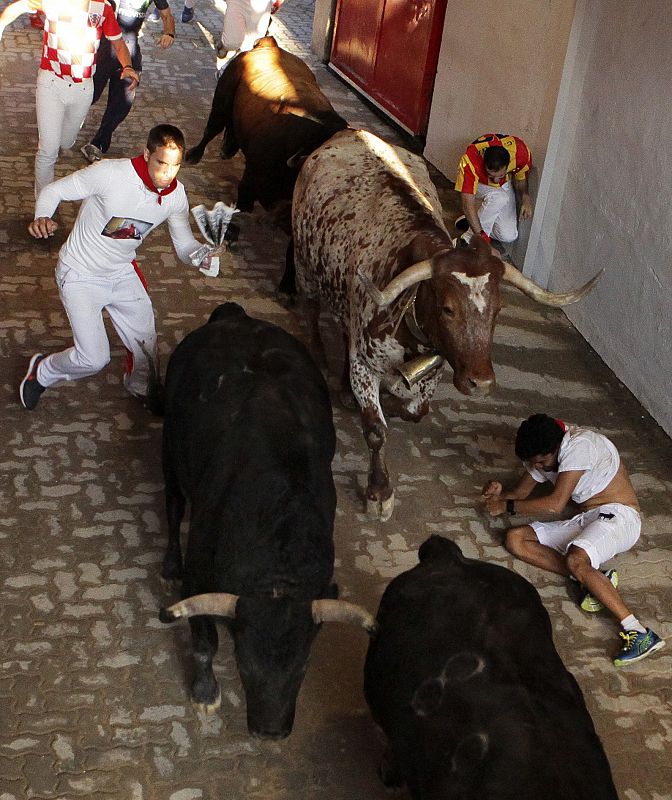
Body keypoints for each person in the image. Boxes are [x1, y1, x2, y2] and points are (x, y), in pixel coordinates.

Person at [20, 124, 218, 410]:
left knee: (146, 341)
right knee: (93, 358)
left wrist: (202, 255)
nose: (167, 174)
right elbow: (54, 191)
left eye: (175, 166)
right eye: (161, 163)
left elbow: (184, 245)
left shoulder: (176, 197)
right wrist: (42, 217)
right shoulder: (109, 173)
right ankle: (42, 371)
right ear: (147, 154)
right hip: (79, 274)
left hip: (121, 272)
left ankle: (140, 387)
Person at [482, 413, 665, 667]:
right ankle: (593, 579)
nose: (540, 468)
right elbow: (520, 494)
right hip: (590, 518)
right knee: (516, 539)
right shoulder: (542, 454)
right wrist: (501, 494)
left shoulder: (580, 446)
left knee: (576, 559)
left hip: (621, 517)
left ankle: (640, 632)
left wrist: (508, 507)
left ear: (556, 448)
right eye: (534, 463)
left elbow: (555, 504)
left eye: (542, 462)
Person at [0, 0, 139, 197]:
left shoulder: (102, 8)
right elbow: (20, 6)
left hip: (83, 89)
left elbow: (119, 44)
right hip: (50, 83)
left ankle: (63, 139)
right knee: (47, 151)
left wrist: (128, 67)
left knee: (65, 142)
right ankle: (43, 209)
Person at [80, 0, 175, 163]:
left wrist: (169, 33)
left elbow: (167, 16)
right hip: (102, 50)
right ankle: (60, 125)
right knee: (88, 95)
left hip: (129, 52)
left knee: (123, 102)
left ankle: (98, 143)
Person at [454, 133, 532, 252]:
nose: (495, 180)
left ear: (508, 164)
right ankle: (467, 239)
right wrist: (485, 245)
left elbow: (521, 179)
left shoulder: (520, 153)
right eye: (491, 175)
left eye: (500, 175)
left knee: (509, 235)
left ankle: (475, 219)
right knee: (499, 197)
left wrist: (526, 198)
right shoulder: (469, 162)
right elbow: (466, 203)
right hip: (480, 183)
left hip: (504, 184)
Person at [215, 0, 285, 73]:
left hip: (262, 4)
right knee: (231, 43)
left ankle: (225, 72)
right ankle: (223, 46)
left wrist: (277, 2)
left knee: (250, 46)